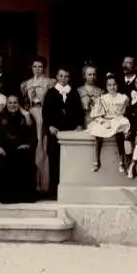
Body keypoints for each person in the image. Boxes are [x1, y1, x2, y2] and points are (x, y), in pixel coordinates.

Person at [0, 95, 38, 204]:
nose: (12, 105)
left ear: (18, 104)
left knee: (26, 160)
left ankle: (23, 196)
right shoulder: (1, 117)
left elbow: (33, 135)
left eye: (15, 102)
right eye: (10, 103)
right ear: (6, 104)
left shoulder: (26, 117)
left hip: (20, 150)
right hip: (5, 150)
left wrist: (27, 145)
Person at [42, 66, 84, 200]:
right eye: (61, 76)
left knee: (69, 161)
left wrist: (79, 125)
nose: (63, 79)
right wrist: (49, 126)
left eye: (66, 76)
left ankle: (69, 192)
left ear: (69, 78)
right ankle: (54, 192)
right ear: (56, 77)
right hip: (56, 131)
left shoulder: (74, 92)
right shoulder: (51, 92)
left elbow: (79, 110)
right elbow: (46, 112)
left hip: (70, 130)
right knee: (54, 160)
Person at [20, 55, 56, 198]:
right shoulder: (25, 84)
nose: (37, 69)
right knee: (32, 147)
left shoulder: (49, 82)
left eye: (40, 66)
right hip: (31, 116)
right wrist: (26, 114)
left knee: (42, 147)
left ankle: (44, 185)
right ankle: (32, 184)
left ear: (44, 68)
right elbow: (23, 103)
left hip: (43, 114)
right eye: (35, 66)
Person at [87, 74, 130, 173]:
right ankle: (97, 160)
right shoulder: (103, 98)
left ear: (118, 85)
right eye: (109, 85)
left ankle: (121, 161)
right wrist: (102, 121)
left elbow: (124, 111)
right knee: (98, 133)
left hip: (118, 119)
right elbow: (97, 113)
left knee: (119, 134)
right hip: (106, 119)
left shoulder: (123, 98)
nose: (112, 87)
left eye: (114, 84)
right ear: (106, 87)